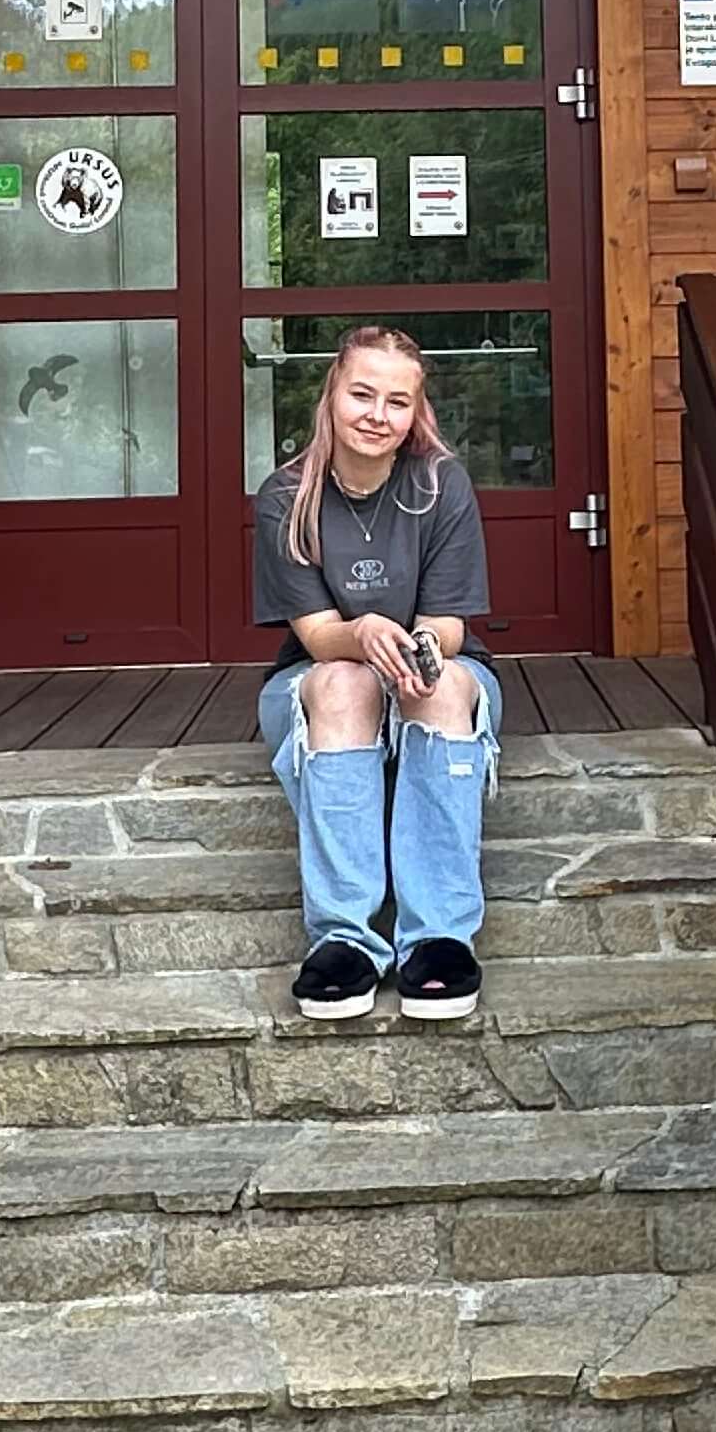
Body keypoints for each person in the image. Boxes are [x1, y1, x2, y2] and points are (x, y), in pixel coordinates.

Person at [253, 323, 500, 1022]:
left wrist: (416, 647)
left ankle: (439, 938)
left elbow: (448, 625)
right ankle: (346, 940)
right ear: (332, 395)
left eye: (397, 401)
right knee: (346, 681)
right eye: (362, 394)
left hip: (430, 668)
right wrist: (362, 633)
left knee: (441, 683)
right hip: (324, 678)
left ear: (416, 413)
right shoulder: (285, 495)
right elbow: (317, 636)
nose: (376, 415)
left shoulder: (441, 483)